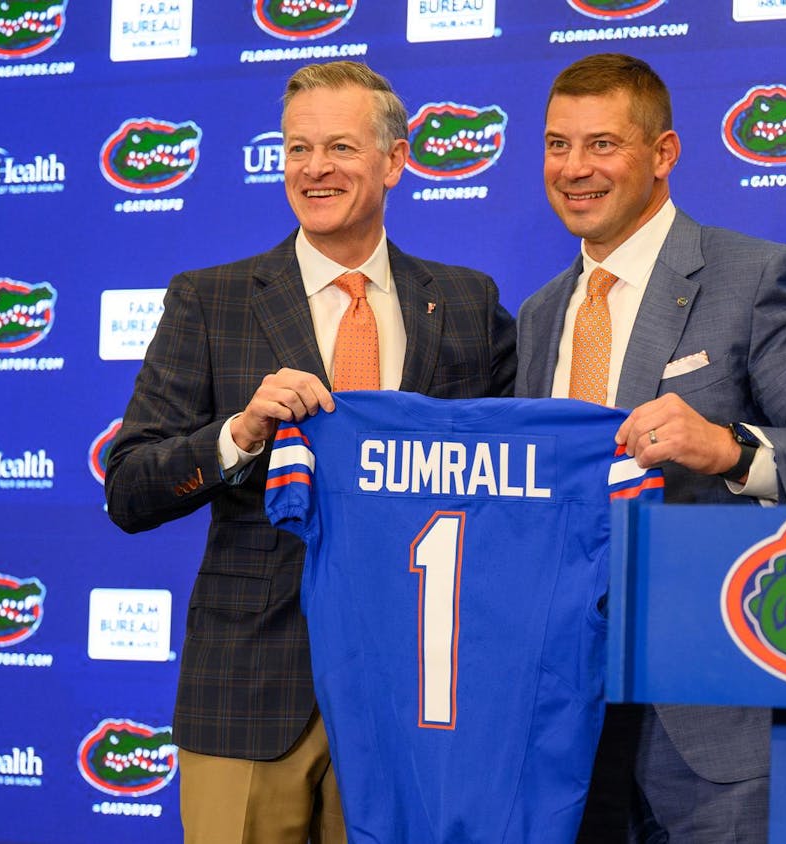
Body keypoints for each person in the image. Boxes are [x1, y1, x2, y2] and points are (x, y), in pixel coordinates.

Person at [104, 61, 516, 843]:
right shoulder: (210, 299)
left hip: (417, 700)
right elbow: (128, 489)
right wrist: (239, 434)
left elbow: (506, 489)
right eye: (297, 149)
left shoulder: (467, 304)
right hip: (253, 690)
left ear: (396, 160)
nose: (314, 169)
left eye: (340, 148)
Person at [517, 53, 786, 842]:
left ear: (663, 154)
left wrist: (729, 448)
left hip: (709, 716)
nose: (574, 169)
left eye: (601, 145)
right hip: (562, 722)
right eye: (557, 145)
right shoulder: (542, 312)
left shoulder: (755, 276)